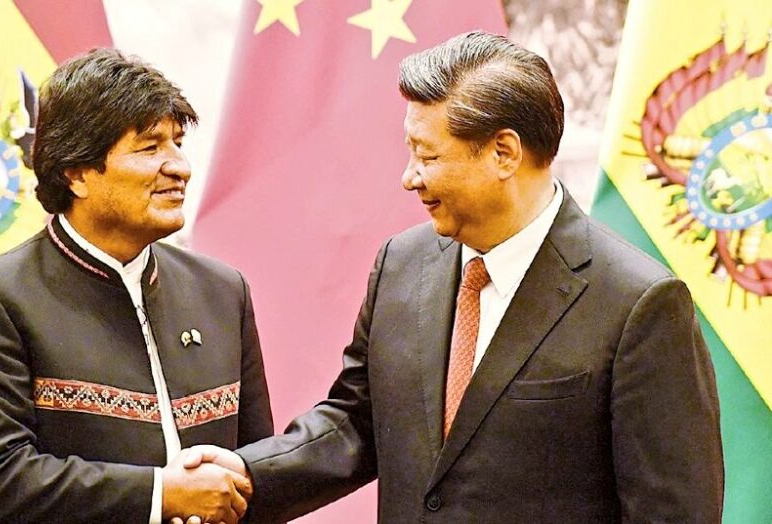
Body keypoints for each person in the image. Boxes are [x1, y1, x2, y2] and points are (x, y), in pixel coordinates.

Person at [184, 31, 724, 522]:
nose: (409, 177)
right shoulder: (401, 265)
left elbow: (672, 512)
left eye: (428, 156)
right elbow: (356, 422)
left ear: (504, 153)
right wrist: (245, 475)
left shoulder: (637, 303)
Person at [0, 48, 273, 524]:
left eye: (177, 143)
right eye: (150, 147)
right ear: (76, 173)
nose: (180, 166)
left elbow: (256, 471)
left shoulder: (222, 290)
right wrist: (160, 495)